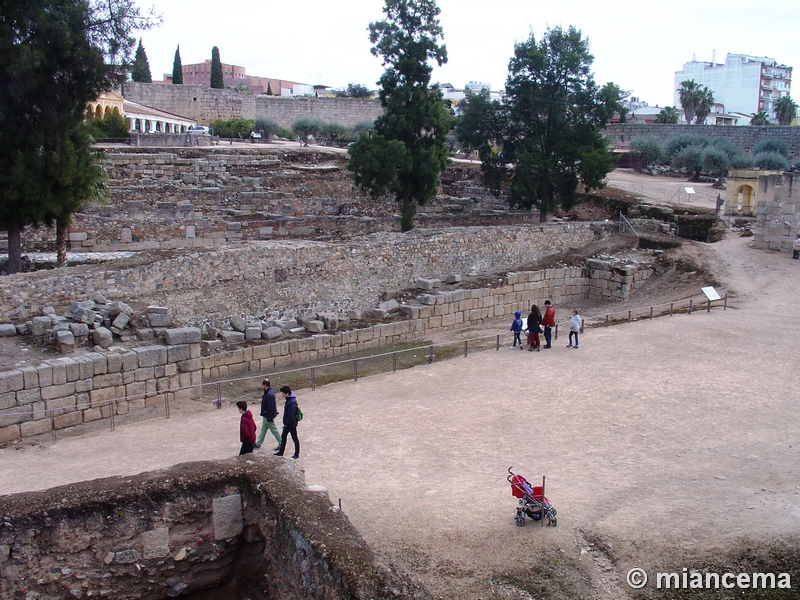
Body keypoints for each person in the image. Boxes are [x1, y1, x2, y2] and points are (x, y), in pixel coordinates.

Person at [255, 378, 281, 451]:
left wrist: (269, 418)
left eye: (262, 384)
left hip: (268, 415)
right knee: (263, 429)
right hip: (266, 415)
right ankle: (258, 443)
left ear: (265, 385)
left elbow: (270, 407)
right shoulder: (269, 392)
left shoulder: (268, 394)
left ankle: (281, 443)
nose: (261, 386)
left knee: (274, 430)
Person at [274, 385, 300, 460]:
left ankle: (296, 454)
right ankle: (281, 452)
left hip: (291, 424)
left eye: (283, 393)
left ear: (286, 393)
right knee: (284, 437)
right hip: (289, 423)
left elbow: (291, 415)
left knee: (294, 438)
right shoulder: (290, 400)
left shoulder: (291, 402)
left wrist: (286, 423)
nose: (282, 395)